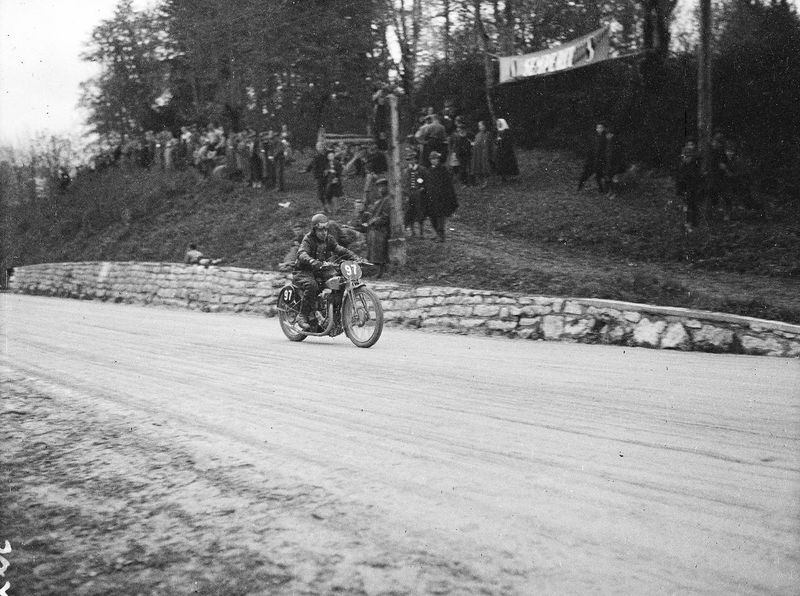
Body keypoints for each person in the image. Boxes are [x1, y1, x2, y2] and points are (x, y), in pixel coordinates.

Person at [293, 213, 361, 330]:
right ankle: (302, 316)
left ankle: (335, 316)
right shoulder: (308, 239)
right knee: (312, 285)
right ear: (314, 229)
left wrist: (355, 258)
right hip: (304, 271)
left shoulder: (329, 239)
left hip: (320, 270)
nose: (324, 232)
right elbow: (301, 253)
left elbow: (340, 249)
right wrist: (313, 261)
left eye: (326, 229)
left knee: (339, 282)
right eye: (320, 229)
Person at [425, 151, 458, 242]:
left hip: (441, 197)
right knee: (432, 215)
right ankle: (436, 233)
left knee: (440, 216)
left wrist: (445, 195)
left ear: (438, 159)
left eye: (435, 159)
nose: (433, 161)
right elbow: (427, 183)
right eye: (432, 159)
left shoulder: (443, 169)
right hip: (432, 197)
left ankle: (441, 235)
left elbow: (447, 184)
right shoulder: (429, 170)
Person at [363, 178, 392, 277]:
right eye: (379, 188)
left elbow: (385, 217)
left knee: (376, 236)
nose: (380, 190)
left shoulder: (387, 200)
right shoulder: (381, 200)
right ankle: (375, 268)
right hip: (378, 227)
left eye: (383, 187)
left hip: (384, 228)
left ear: (387, 187)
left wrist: (374, 221)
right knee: (371, 234)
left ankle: (380, 269)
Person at [675, 138, 703, 231]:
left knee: (693, 203)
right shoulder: (683, 157)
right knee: (686, 204)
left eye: (692, 144)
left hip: (694, 183)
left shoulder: (697, 156)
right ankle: (687, 224)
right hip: (684, 183)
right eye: (689, 144)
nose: (690, 146)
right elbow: (680, 170)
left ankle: (692, 223)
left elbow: (699, 169)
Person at [402, 150, 429, 237]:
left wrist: (423, 187)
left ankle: (421, 233)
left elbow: (426, 181)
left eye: (412, 159)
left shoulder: (422, 169)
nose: (411, 161)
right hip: (409, 194)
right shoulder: (406, 171)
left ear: (416, 160)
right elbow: (404, 183)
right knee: (409, 212)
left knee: (420, 212)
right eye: (409, 160)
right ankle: (413, 232)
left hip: (419, 195)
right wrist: (405, 194)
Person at [578, 121, 609, 192]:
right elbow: (590, 148)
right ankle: (579, 188)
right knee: (586, 174)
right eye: (598, 127)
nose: (599, 129)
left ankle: (602, 190)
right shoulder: (594, 137)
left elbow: (605, 150)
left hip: (600, 159)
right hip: (592, 159)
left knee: (599, 175)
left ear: (603, 128)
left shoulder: (605, 138)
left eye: (601, 127)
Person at [471, 120, 493, 189]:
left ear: (485, 126)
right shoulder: (477, 135)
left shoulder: (488, 134)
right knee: (479, 167)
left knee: (485, 167)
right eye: (479, 126)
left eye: (481, 125)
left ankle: (486, 182)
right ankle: (481, 181)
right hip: (478, 154)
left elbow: (490, 144)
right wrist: (473, 144)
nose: (480, 127)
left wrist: (490, 154)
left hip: (485, 154)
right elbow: (476, 143)